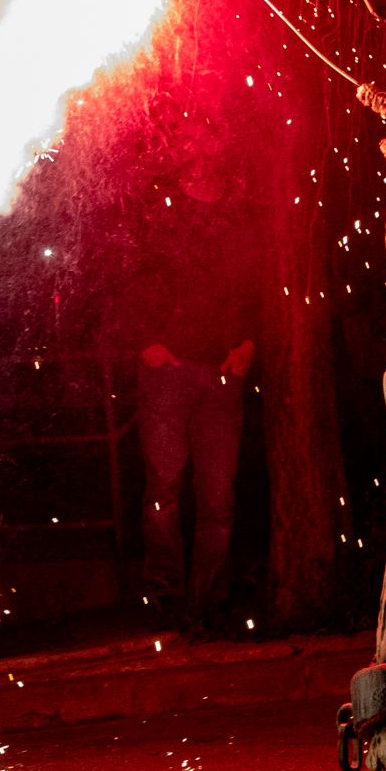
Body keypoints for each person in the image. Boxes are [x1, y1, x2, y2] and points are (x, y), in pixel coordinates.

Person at [132, 205, 255, 632]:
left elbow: (252, 281)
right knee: (163, 487)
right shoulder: (156, 210)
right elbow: (123, 275)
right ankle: (166, 595)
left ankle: (209, 602)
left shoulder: (235, 212)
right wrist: (145, 341)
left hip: (221, 372)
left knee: (218, 496)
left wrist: (248, 343)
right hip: (168, 372)